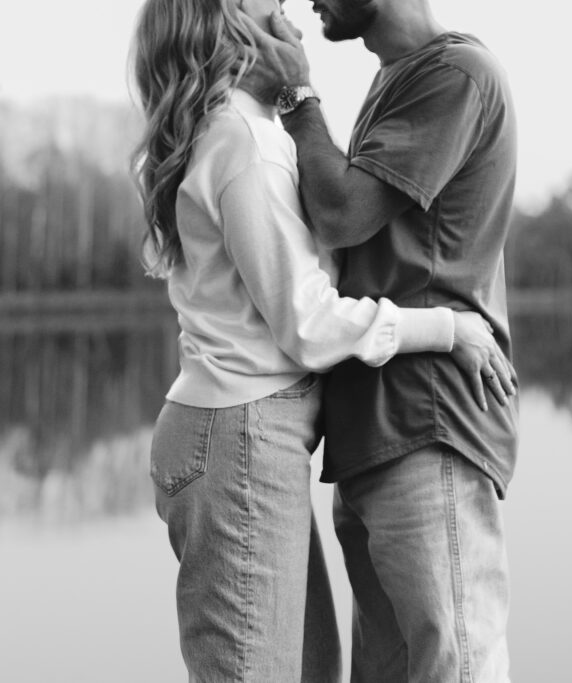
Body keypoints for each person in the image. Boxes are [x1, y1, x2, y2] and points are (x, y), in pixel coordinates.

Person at [130, 0, 514, 680]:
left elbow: (336, 227)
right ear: (230, 27)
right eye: (268, 5)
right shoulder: (249, 135)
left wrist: (299, 97)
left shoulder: (451, 74)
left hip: (405, 422)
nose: (299, 5)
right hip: (290, 430)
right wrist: (446, 327)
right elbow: (310, 308)